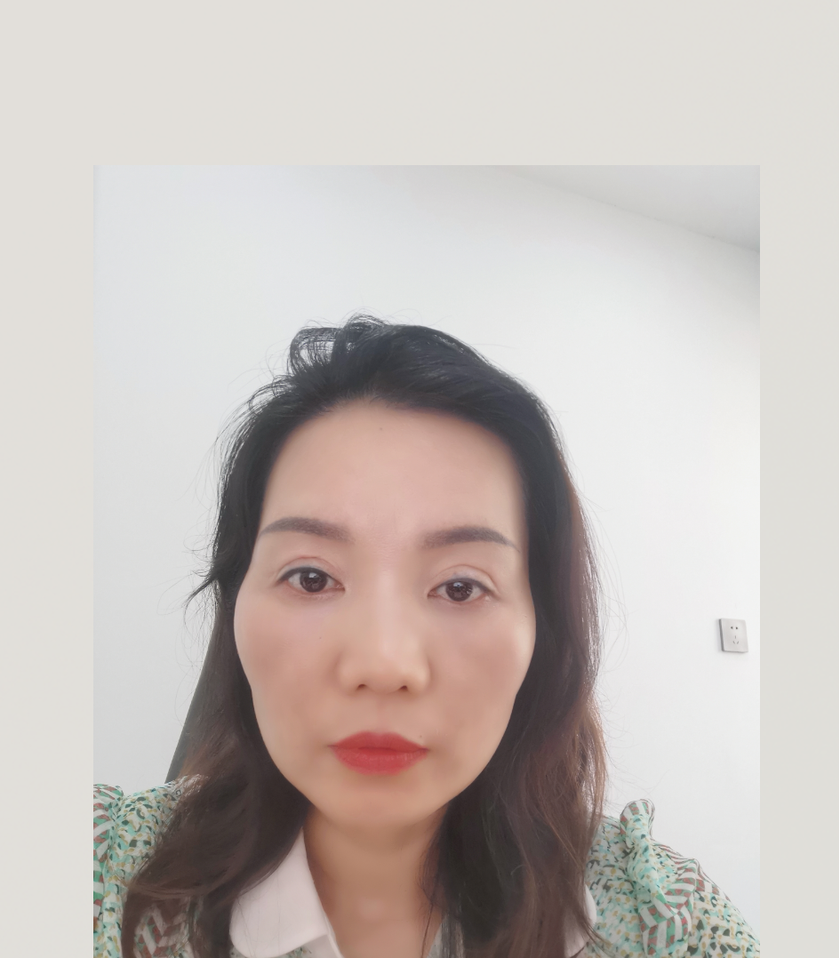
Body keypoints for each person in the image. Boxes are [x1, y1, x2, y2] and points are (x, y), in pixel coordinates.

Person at [94, 317, 758, 958]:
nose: (384, 664)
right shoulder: (101, 873)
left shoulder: (667, 923)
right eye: (311, 577)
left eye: (461, 587)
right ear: (235, 605)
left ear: (542, 631)